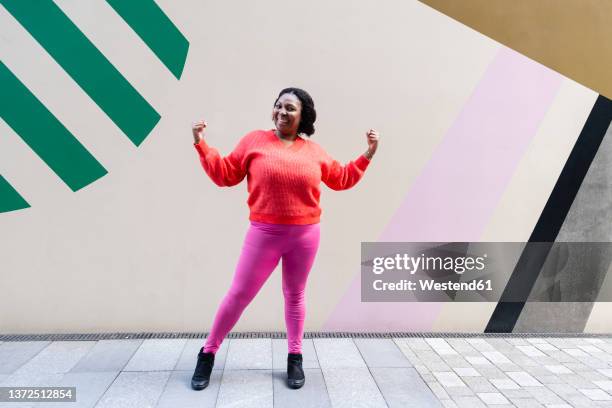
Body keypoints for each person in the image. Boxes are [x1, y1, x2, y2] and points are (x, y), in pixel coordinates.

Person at [190, 87, 379, 390]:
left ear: (303, 115)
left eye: (290, 108)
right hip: (264, 233)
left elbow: (341, 179)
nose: (282, 112)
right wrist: (202, 145)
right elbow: (225, 173)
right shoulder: (255, 141)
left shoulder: (314, 151)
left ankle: (295, 356)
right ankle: (207, 353)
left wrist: (368, 153)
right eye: (278, 106)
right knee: (239, 295)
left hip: (305, 235)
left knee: (295, 295)